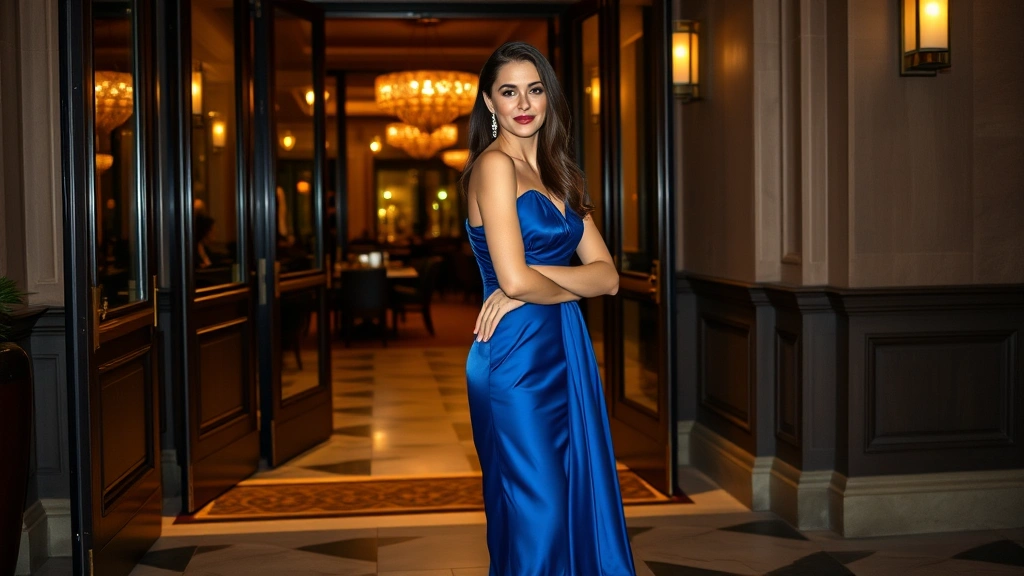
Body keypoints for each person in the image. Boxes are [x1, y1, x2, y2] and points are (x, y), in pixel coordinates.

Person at [462, 42, 636, 575]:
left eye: (534, 90)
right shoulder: (493, 168)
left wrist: (539, 282)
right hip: (513, 359)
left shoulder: (560, 172)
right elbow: (513, 278)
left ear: (549, 98)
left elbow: (609, 278)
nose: (523, 102)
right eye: (509, 91)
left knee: (576, 499)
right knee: (540, 516)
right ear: (489, 103)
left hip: (566, 349)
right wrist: (539, 283)